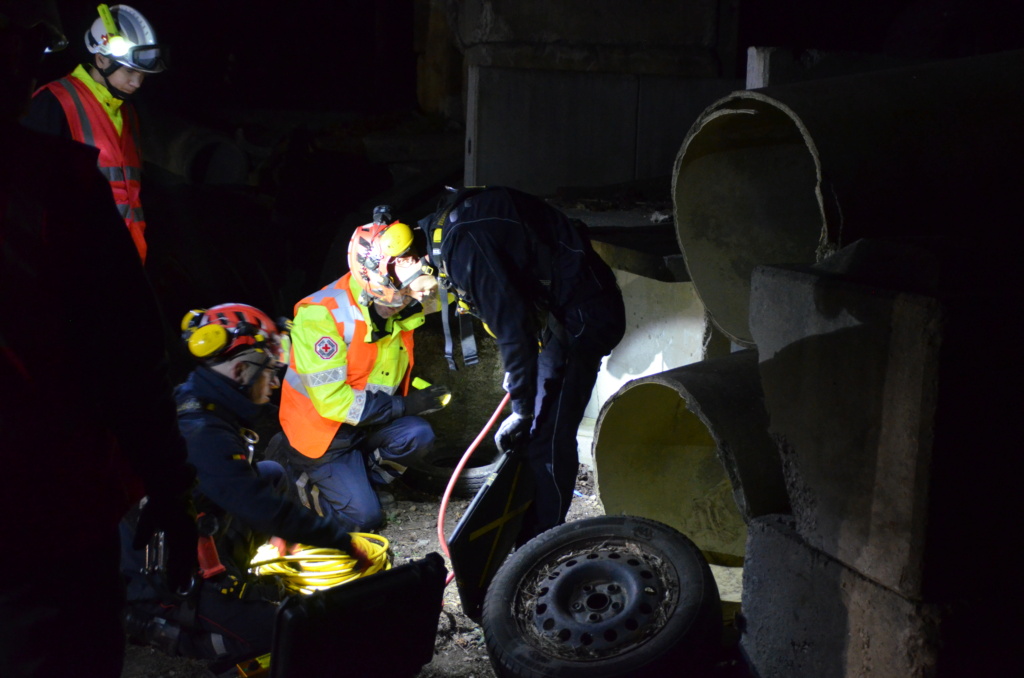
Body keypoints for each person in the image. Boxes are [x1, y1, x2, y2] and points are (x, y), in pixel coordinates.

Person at [0, 2, 196, 676]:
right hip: (67, 351)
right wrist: (170, 483)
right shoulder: (54, 126)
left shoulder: (115, 113)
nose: (141, 80)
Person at [120, 303, 374, 671]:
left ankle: (230, 573)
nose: (274, 381)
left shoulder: (198, 402)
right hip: (157, 578)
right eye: (270, 371)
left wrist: (280, 535)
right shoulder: (203, 433)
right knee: (289, 631)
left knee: (269, 472)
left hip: (185, 532)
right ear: (241, 370)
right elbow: (259, 506)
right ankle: (163, 624)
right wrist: (340, 539)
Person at [419, 186, 626, 545]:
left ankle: (542, 546)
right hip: (561, 312)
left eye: (408, 291)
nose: (417, 299)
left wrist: (521, 404)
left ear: (408, 260)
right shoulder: (454, 226)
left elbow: (513, 328)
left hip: (583, 316)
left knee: (548, 433)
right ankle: (529, 530)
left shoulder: (463, 244)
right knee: (535, 432)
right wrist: (521, 383)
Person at [274, 210, 449, 532]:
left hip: (364, 425)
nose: (417, 296)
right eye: (406, 292)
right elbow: (333, 402)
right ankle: (293, 476)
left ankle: (362, 484)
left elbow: (377, 371)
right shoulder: (321, 316)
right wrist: (406, 406)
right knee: (365, 520)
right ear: (379, 279)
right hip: (322, 436)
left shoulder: (396, 302)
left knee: (418, 435)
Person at [21, 4, 166, 263]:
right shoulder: (53, 102)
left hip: (127, 266)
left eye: (143, 74)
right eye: (130, 71)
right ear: (100, 59)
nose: (137, 82)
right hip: (76, 268)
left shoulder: (127, 113)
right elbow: (27, 204)